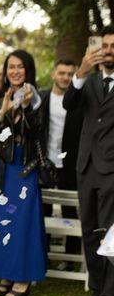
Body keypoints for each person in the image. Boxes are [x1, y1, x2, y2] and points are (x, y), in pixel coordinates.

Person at [0, 49, 45, 296]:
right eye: (11, 67)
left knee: (22, 222)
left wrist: (27, 110)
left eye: (20, 67)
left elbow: (40, 133)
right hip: (1, 167)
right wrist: (2, 113)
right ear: (6, 70)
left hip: (25, 166)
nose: (15, 71)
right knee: (0, 219)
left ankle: (23, 275)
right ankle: (5, 271)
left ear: (28, 70)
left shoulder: (39, 98)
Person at [63, 26, 114, 296]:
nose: (108, 50)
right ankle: (96, 291)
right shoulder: (89, 80)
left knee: (110, 237)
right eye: (104, 45)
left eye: (112, 45)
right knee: (90, 232)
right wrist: (80, 73)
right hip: (86, 168)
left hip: (111, 171)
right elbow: (70, 104)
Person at [40, 59, 83, 263]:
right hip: (45, 162)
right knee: (43, 209)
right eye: (62, 73)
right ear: (53, 74)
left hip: (70, 163)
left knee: (69, 210)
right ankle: (43, 253)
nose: (65, 77)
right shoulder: (42, 98)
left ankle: (71, 257)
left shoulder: (79, 100)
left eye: (69, 74)